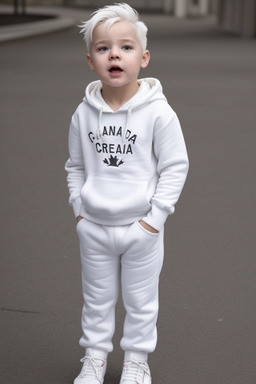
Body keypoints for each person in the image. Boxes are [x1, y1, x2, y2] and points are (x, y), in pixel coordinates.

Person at [65, 3, 189, 384]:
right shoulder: (83, 114)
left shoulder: (159, 114)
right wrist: (80, 212)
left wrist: (154, 221)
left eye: (125, 47)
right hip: (95, 227)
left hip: (141, 230)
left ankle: (136, 361)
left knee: (140, 302)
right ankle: (95, 359)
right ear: (91, 61)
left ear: (144, 57)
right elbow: (76, 167)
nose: (114, 54)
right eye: (103, 48)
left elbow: (175, 166)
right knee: (97, 300)